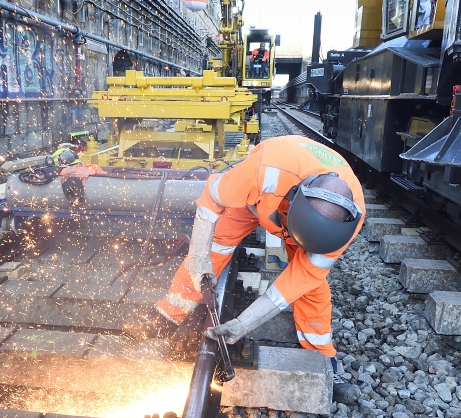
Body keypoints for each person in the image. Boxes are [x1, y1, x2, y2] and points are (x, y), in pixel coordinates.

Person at [129, 135, 364, 376]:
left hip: (301, 222)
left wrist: (245, 323)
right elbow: (211, 196)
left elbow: (295, 283)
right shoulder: (262, 173)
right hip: (258, 200)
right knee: (214, 250)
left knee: (310, 286)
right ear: (292, 201)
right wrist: (198, 255)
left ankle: (321, 353)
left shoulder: (345, 226)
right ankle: (167, 316)